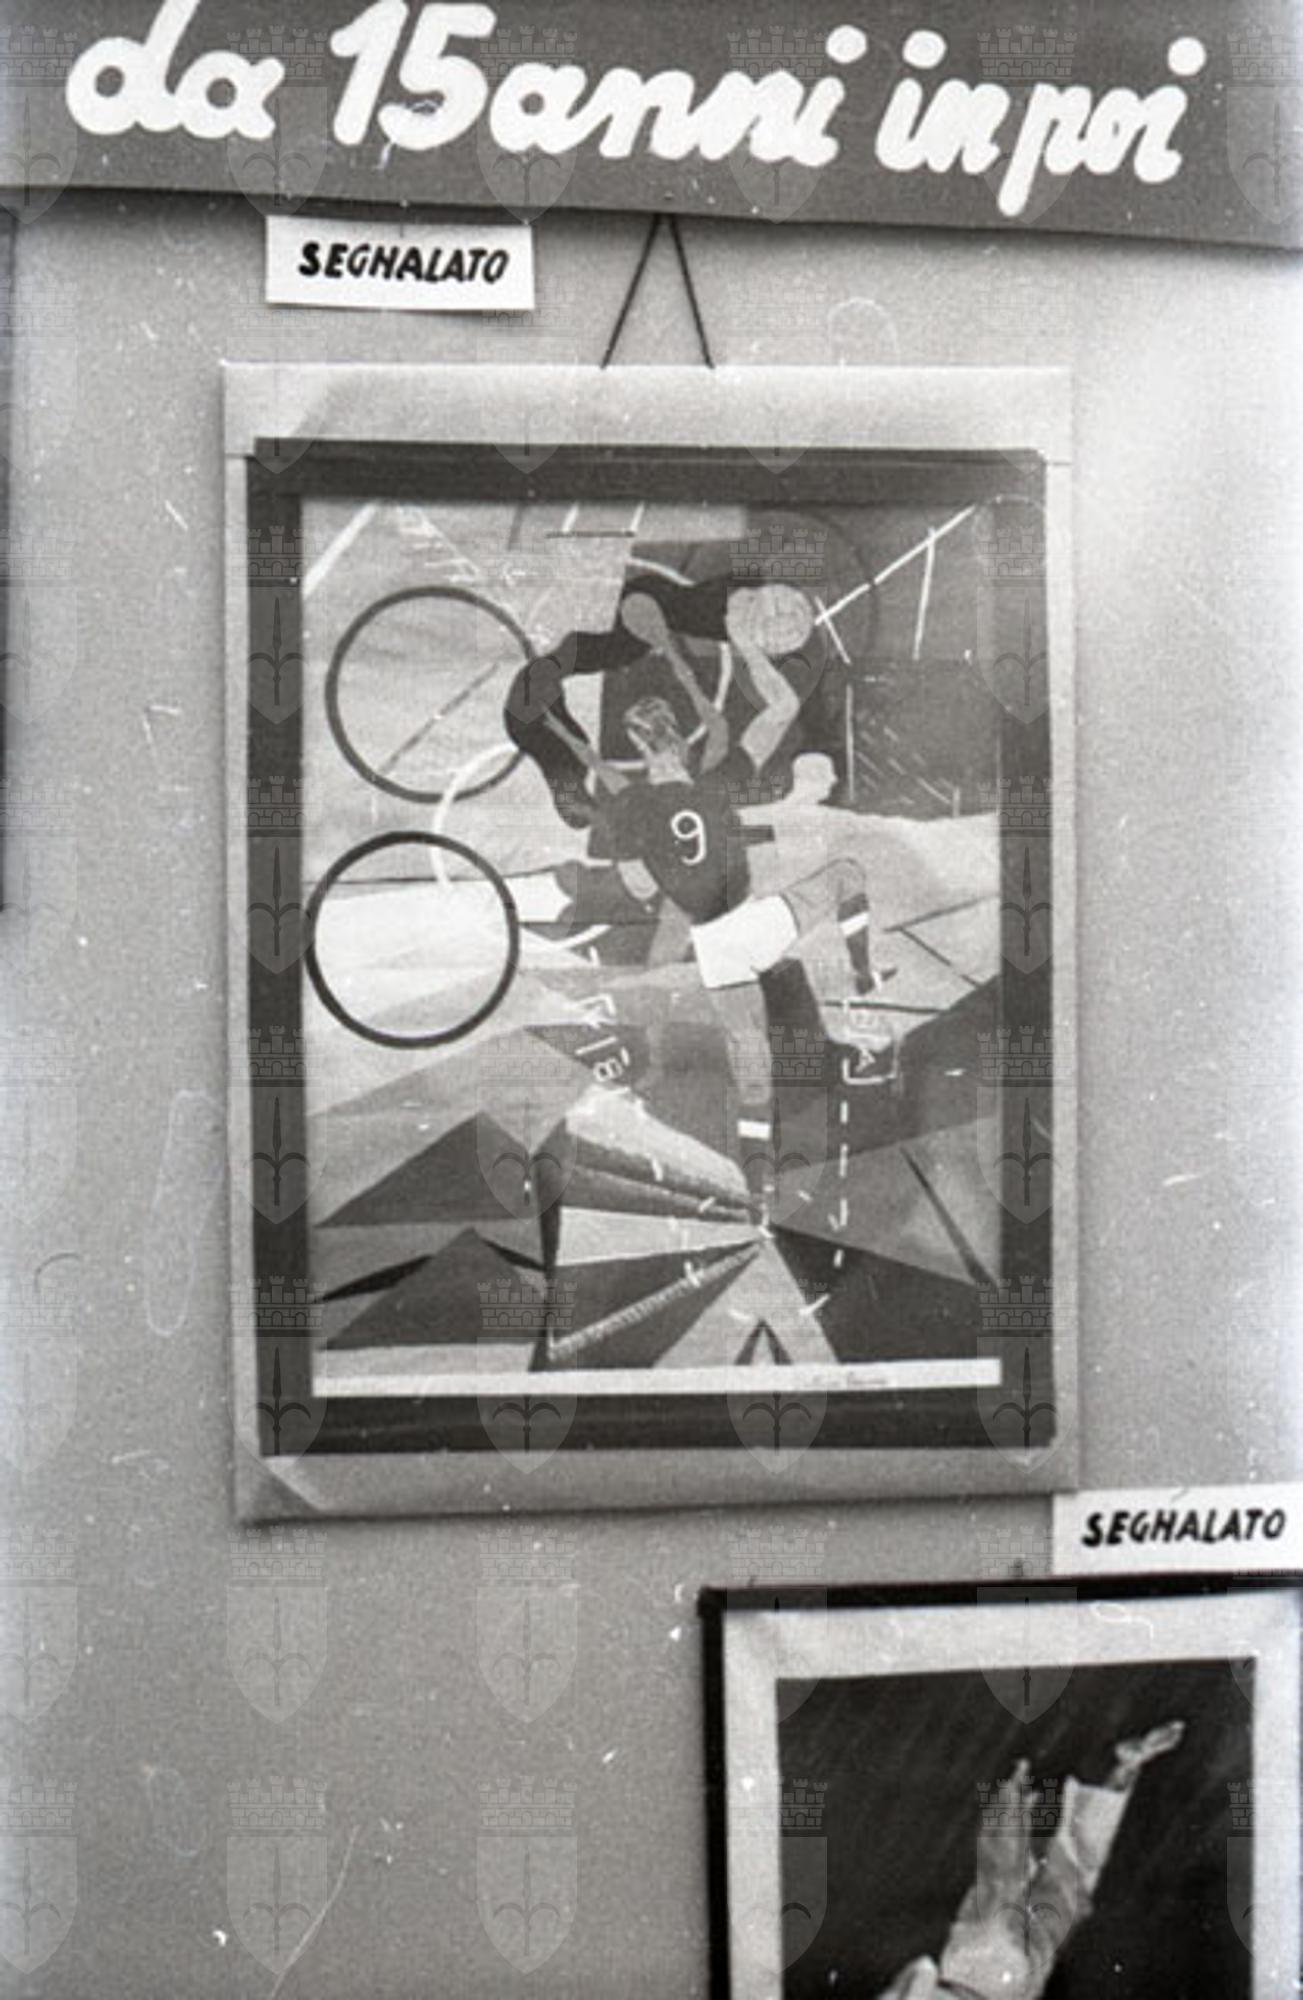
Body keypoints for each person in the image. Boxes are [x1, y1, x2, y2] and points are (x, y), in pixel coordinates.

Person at [538, 587, 877, 1209]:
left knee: (753, 1072)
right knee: (848, 875)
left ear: (641, 748)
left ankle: (758, 1189)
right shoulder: (718, 783)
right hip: (759, 921)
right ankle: (862, 973)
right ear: (681, 742)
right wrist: (745, 646)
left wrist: (559, 729)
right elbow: (780, 706)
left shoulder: (633, 808)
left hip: (718, 945)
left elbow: (638, 875)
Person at [877, 1720, 1186, 2000]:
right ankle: (1024, 1790)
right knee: (1012, 1884)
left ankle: (1121, 1769)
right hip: (981, 1971)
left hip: (1005, 1982)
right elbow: (922, 1969)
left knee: (1066, 1883)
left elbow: (921, 1971)